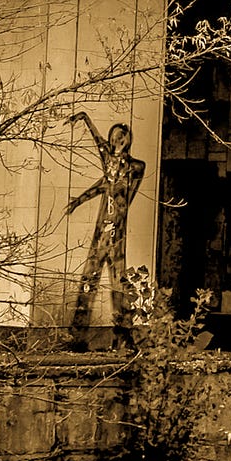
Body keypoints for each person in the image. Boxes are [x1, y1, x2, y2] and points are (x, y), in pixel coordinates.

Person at [65, 111, 145, 349]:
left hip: (115, 231)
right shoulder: (111, 163)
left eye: (120, 139)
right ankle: (77, 336)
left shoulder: (135, 167)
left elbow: (119, 191)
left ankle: (123, 336)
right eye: (114, 140)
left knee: (117, 283)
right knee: (90, 279)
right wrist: (86, 118)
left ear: (127, 140)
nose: (115, 143)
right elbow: (105, 182)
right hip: (104, 230)